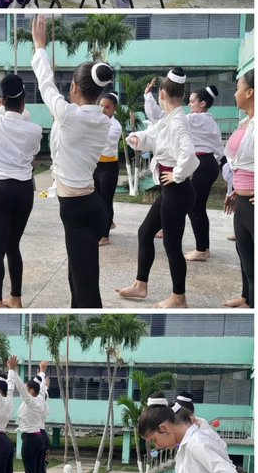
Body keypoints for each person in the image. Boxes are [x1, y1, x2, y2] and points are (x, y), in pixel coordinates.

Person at [30, 15, 112, 308]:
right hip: (87, 206)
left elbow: (45, 84)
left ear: (75, 89)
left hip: (78, 210)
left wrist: (40, 47)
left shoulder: (70, 116)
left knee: (86, 288)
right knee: (77, 279)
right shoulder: (102, 120)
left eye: (72, 87)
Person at [117, 68, 199, 309]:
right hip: (172, 190)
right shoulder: (170, 118)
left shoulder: (178, 122)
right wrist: (138, 138)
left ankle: (179, 297)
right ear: (181, 94)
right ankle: (141, 285)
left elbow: (189, 153)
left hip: (177, 190)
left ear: (162, 93)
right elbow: (153, 135)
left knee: (171, 244)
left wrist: (178, 173)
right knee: (145, 232)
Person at [145, 79, 226, 263]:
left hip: (203, 164)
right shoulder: (205, 120)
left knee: (195, 207)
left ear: (202, 104)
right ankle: (201, 246)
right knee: (197, 207)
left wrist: (150, 97)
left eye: (192, 101)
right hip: (207, 164)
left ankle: (202, 249)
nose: (188, 105)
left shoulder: (195, 119)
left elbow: (161, 117)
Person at [0, 73, 43, 307]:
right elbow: (34, 149)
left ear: (3, 100)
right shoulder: (35, 129)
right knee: (12, 246)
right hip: (24, 191)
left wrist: (2, 105)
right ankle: (16, 299)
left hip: (1, 189)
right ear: (24, 101)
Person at [223, 70, 254, 309]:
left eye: (237, 87)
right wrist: (235, 189)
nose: (234, 93)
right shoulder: (247, 122)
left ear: (250, 92)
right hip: (242, 200)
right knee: (244, 252)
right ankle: (247, 298)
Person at [6, 360, 49, 473]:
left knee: (31, 472)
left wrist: (12, 370)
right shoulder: (41, 399)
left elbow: (20, 387)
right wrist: (42, 372)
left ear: (31, 390)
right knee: (36, 470)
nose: (25, 388)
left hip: (31, 439)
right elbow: (43, 388)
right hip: (38, 438)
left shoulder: (31, 401)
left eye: (27, 387)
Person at [95, 91, 123, 245]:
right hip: (96, 165)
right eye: (101, 106)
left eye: (107, 107)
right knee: (96, 199)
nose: (104, 110)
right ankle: (106, 223)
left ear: (114, 109)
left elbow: (102, 141)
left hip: (108, 167)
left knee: (106, 201)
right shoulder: (96, 121)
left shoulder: (115, 126)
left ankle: (105, 235)